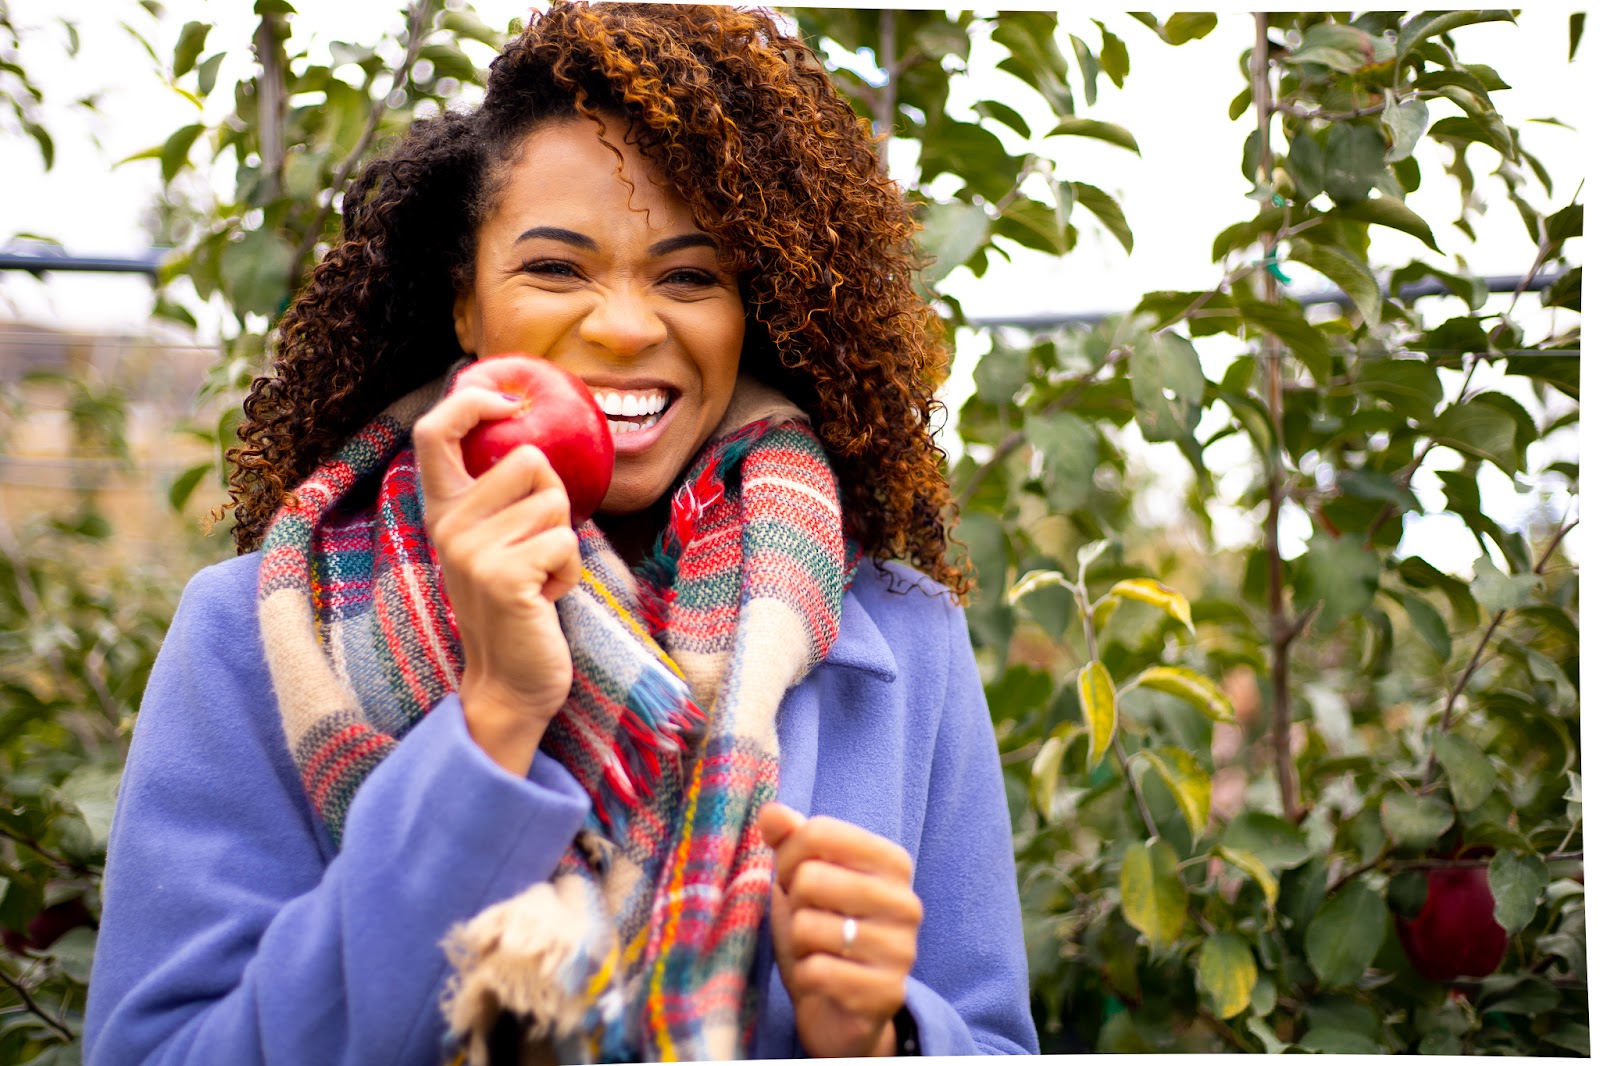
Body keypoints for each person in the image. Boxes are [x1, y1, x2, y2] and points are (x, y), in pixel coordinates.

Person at [84, 3, 1036, 1062]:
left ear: (748, 312)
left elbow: (995, 1040)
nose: (628, 326)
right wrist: (489, 721)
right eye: (555, 267)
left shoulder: (901, 636)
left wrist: (885, 1038)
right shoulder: (258, 634)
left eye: (690, 275)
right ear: (463, 301)